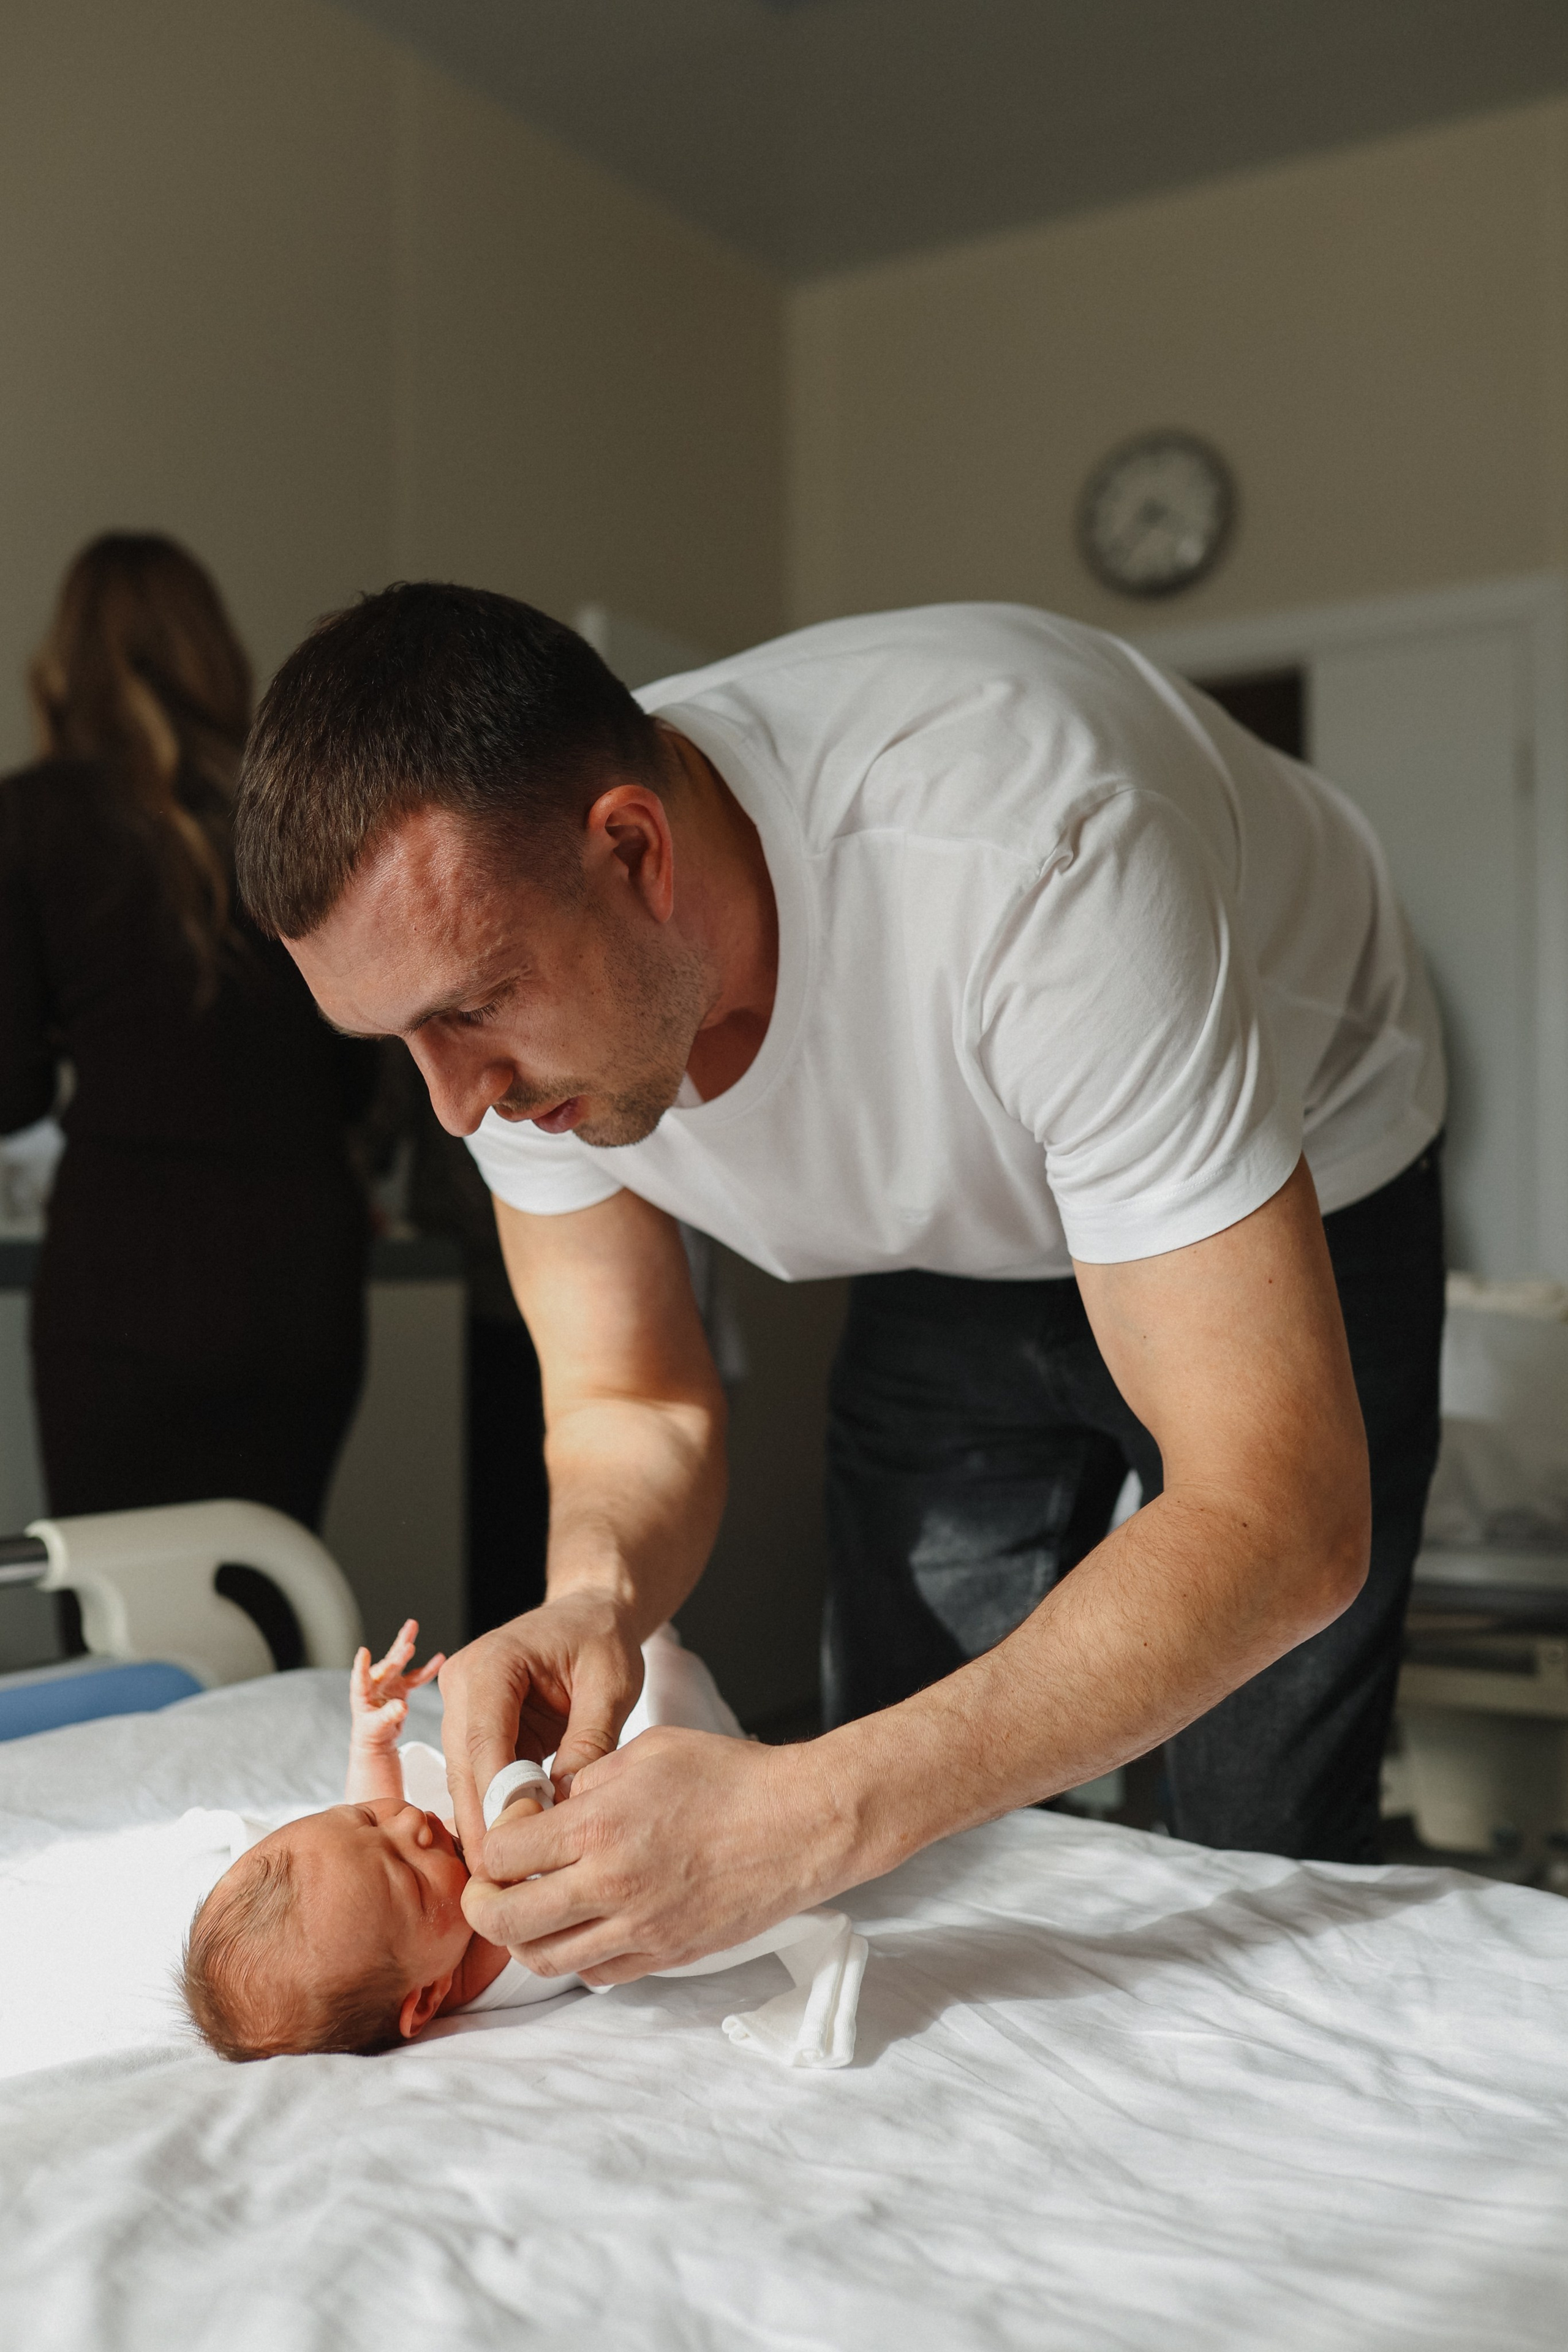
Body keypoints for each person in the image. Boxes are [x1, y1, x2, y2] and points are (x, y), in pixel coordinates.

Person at [233, 587, 1446, 1994]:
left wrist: (811, 1806)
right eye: (397, 1039)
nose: (455, 1106)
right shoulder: (504, 1010)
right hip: (948, 1223)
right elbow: (629, 1397)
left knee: (1250, 1822)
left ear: (631, 849)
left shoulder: (1033, 858)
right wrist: (594, 1600)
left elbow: (1278, 1513)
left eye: (470, 1005)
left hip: (1303, 1145)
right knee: (914, 1816)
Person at [0, 534, 371, 1530]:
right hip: (304, 1267)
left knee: (129, 1621)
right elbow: (362, 1076)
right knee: (277, 1594)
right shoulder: (298, 815)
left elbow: (12, 1091)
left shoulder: (31, 819)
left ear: (64, 661)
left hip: (129, 1273)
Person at [183, 1617, 862, 2066]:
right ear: (425, 1999)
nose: (409, 1823)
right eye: (410, 1876)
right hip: (661, 1814)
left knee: (646, 1656)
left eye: (365, 1823)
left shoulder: (391, 1896)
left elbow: (369, 1808)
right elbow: (541, 1834)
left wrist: (371, 1736)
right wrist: (514, 1805)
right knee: (675, 1693)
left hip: (603, 1773)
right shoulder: (509, 1927)